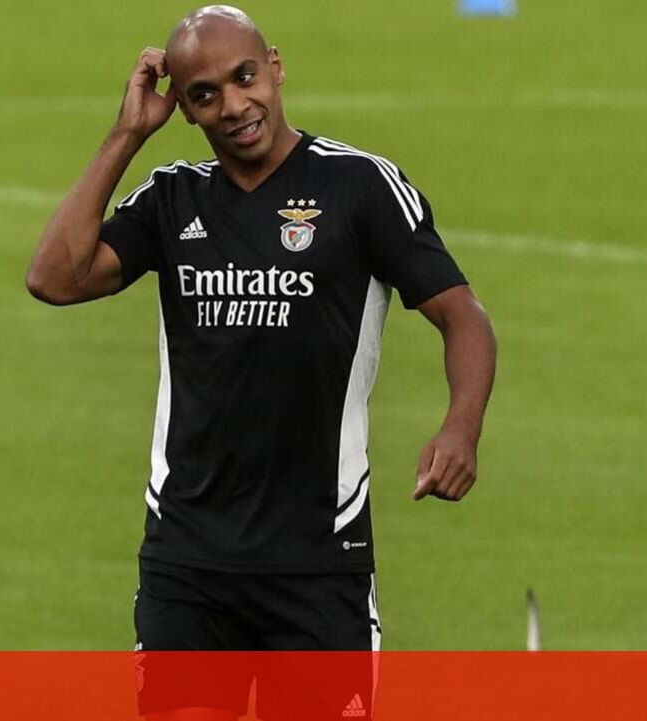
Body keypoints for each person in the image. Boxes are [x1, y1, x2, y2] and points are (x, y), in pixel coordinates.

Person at [26, 5, 496, 719]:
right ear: (185, 109)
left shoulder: (360, 187)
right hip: (188, 559)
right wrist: (128, 134)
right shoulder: (172, 198)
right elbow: (55, 278)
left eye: (244, 77)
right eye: (205, 94)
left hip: (318, 560)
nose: (234, 105)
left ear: (275, 67)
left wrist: (461, 426)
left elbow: (462, 315)